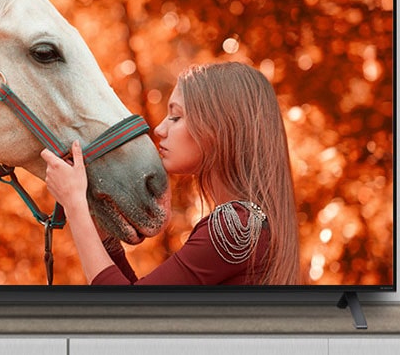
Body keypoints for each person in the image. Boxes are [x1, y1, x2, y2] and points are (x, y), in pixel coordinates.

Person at [41, 61, 300, 286]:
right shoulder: (250, 223)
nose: (160, 129)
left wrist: (74, 205)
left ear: (219, 129)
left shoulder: (234, 227)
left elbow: (129, 313)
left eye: (175, 117)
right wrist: (102, 234)